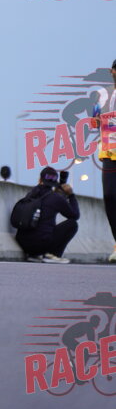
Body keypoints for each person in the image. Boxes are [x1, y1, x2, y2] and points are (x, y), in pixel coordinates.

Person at [14, 166, 80, 264]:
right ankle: (52, 255)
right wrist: (71, 195)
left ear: (40, 180)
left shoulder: (31, 193)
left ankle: (34, 256)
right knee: (72, 224)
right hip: (41, 245)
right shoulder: (55, 198)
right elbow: (75, 215)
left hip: (23, 243)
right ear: (55, 182)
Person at [91, 59, 116, 262]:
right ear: (112, 71)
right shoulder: (101, 95)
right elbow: (94, 121)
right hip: (109, 151)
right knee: (109, 196)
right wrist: (97, 120)